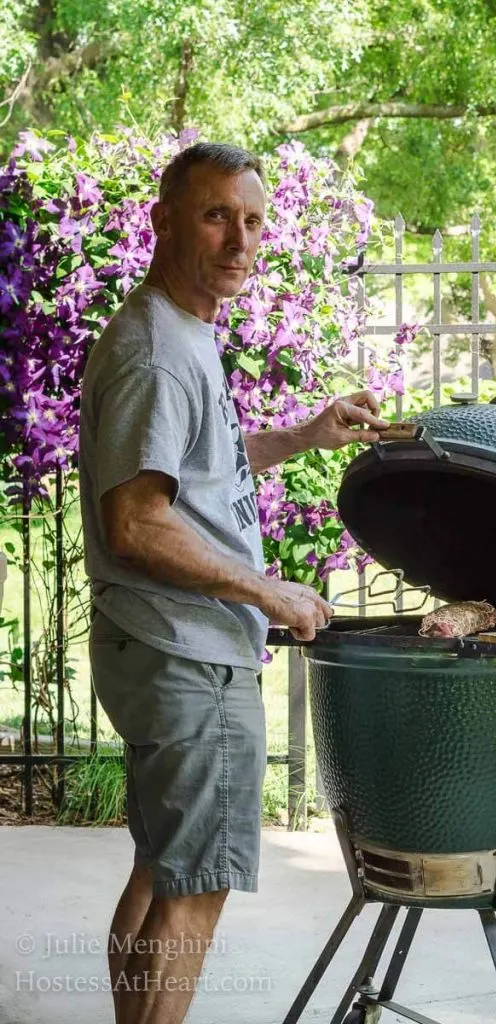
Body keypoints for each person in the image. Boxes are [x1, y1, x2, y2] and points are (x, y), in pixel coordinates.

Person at [78, 141, 387, 1024]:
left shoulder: (176, 332)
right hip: (189, 653)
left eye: (253, 221)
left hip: (159, 644)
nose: (240, 241)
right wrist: (268, 592)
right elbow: (135, 523)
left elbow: (184, 470)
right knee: (193, 891)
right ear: (164, 221)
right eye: (217, 216)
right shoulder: (155, 351)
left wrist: (299, 436)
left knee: (161, 868)